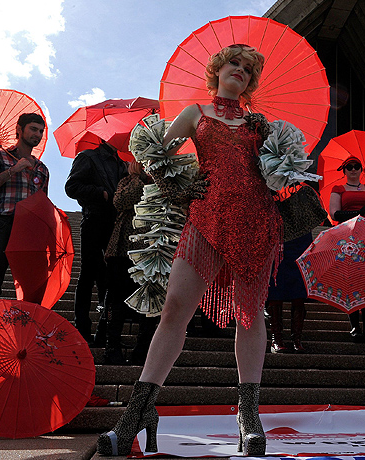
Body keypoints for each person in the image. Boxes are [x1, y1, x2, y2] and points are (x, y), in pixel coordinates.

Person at [97, 44, 281, 457]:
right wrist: (177, 185)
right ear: (217, 71)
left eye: (249, 69)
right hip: (206, 217)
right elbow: (152, 156)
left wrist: (276, 151)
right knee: (175, 307)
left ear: (251, 83)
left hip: (255, 221)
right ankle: (136, 415)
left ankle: (248, 417)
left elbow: (280, 170)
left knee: (250, 313)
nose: (241, 71)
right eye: (234, 63)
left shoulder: (259, 124)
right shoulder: (196, 113)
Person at [0, 112, 49, 302]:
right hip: (1, 223)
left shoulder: (42, 169)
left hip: (29, 230)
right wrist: (13, 170)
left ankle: (27, 330)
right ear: (19, 129)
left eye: (41, 131)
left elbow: (43, 203)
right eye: (33, 129)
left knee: (32, 290)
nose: (38, 134)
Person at [65, 140, 128, 345]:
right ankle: (82, 327)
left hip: (116, 224)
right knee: (89, 271)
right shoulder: (88, 157)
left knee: (111, 276)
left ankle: (104, 327)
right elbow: (71, 186)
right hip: (94, 218)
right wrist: (99, 192)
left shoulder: (122, 162)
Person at [103, 161, 158, 365]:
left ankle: (143, 349)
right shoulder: (128, 181)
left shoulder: (163, 182)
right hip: (122, 249)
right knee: (116, 299)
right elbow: (121, 202)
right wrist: (141, 180)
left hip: (152, 251)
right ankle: (112, 347)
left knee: (150, 301)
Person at [328, 156, 365, 343]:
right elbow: (334, 213)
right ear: (344, 171)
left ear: (361, 169)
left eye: (356, 166)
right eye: (349, 167)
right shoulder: (338, 189)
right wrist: (358, 213)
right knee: (350, 278)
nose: (352, 169)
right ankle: (354, 325)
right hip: (348, 237)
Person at [267, 231, 312, 353]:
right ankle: (276, 339)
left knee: (299, 289)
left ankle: (297, 340)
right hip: (276, 232)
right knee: (275, 286)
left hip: (300, 234)